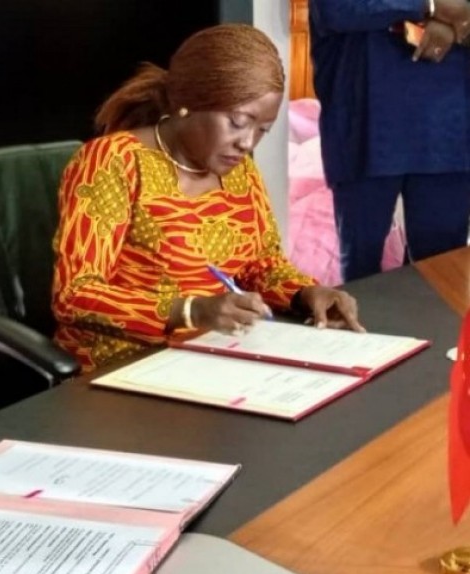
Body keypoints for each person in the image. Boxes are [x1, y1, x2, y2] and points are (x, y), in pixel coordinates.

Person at [50, 24, 363, 371]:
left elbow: (263, 265)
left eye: (262, 130)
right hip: (120, 366)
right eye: (238, 122)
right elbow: (75, 295)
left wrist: (306, 294)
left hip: (210, 358)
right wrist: (190, 310)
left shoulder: (239, 171)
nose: (247, 142)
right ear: (188, 104)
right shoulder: (113, 162)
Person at [310, 0, 470, 282]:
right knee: (361, 275)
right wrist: (432, 6)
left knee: (442, 277)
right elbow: (335, 9)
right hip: (365, 123)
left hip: (448, 131)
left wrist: (455, 22)